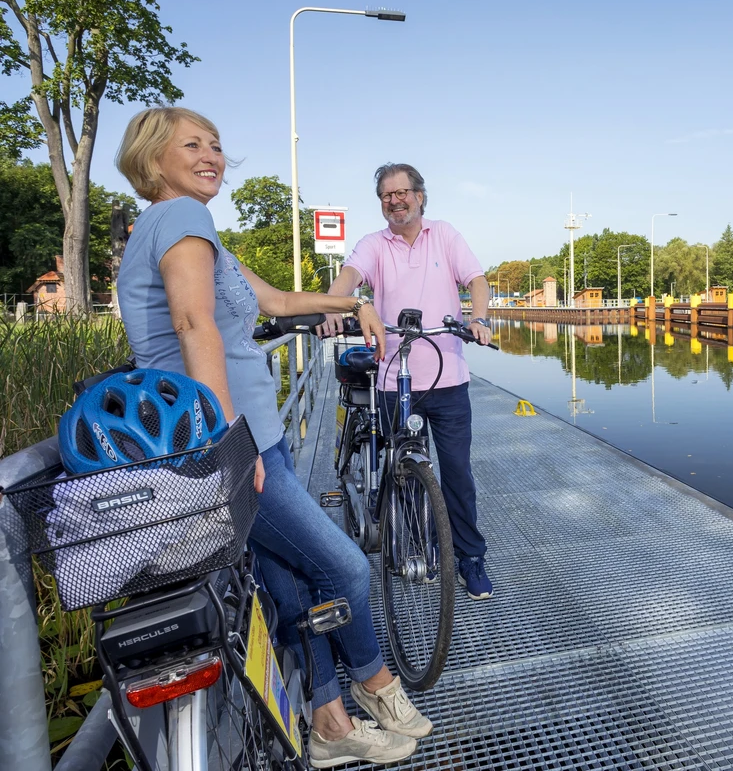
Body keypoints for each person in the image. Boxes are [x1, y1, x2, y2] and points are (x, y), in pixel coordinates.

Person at [114, 107, 430, 768]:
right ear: (152, 159)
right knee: (342, 565)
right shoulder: (179, 218)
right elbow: (193, 323)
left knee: (288, 584)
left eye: (217, 145)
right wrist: (231, 443)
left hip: (239, 437)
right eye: (191, 145)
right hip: (232, 442)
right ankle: (377, 684)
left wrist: (353, 302)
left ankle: (330, 725)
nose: (212, 155)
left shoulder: (195, 234)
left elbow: (279, 303)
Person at [320, 163, 495, 600]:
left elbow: (476, 279)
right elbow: (351, 277)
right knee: (403, 470)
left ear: (420, 196)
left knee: (456, 472)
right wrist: (331, 305)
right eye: (386, 196)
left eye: (402, 192)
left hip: (447, 375)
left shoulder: (445, 235)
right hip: (392, 377)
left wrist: (479, 317)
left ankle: (471, 558)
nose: (394, 200)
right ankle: (420, 547)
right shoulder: (374, 245)